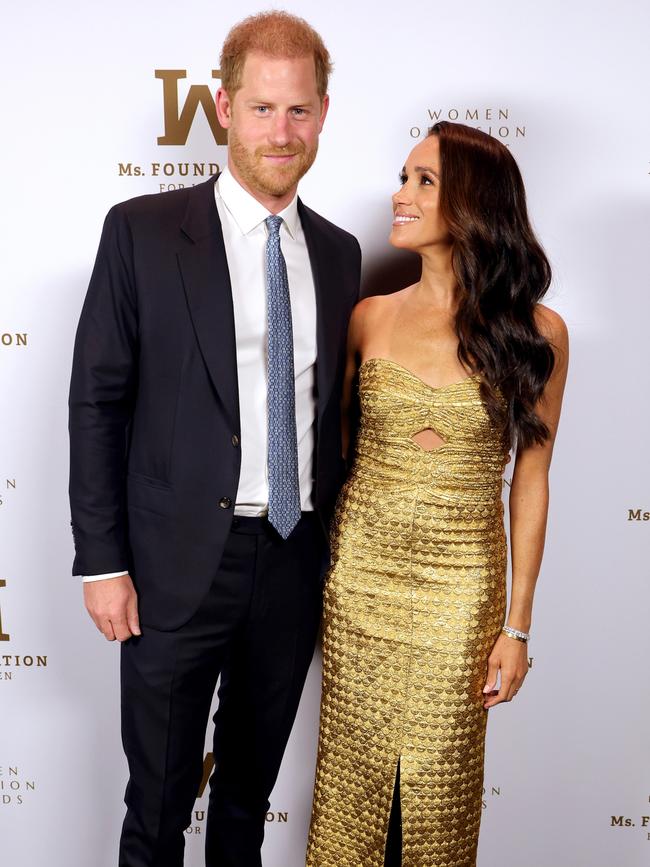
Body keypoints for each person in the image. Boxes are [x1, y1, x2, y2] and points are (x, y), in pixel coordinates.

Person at [68, 11, 360, 867]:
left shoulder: (340, 254)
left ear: (324, 113)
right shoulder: (143, 231)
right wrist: (103, 560)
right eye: (263, 109)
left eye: (298, 111)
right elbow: (98, 401)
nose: (282, 131)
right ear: (224, 108)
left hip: (294, 554)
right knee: (157, 807)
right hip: (170, 564)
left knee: (247, 805)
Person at [307, 121, 568, 866]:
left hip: (461, 589)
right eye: (404, 176)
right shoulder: (370, 316)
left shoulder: (537, 332)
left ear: (473, 205)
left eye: (424, 180)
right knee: (350, 793)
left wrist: (516, 627)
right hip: (361, 584)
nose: (400, 194)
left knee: (437, 793)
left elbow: (533, 477)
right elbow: (340, 457)